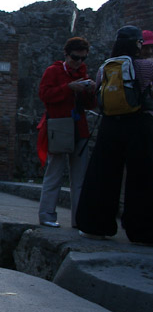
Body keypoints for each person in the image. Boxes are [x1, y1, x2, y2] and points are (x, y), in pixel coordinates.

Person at [76, 26, 153, 245]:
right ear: (137, 44)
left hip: (110, 124)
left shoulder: (105, 67)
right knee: (142, 177)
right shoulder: (146, 66)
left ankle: (94, 226)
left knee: (102, 174)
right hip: (139, 123)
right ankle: (143, 232)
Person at [36, 37, 96, 229]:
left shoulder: (83, 73)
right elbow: (44, 95)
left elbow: (90, 105)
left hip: (79, 129)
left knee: (80, 178)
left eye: (82, 58)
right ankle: (47, 215)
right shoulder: (53, 71)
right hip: (59, 127)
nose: (78, 62)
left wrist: (90, 90)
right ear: (66, 54)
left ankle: (79, 219)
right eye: (75, 58)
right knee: (54, 174)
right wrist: (68, 88)